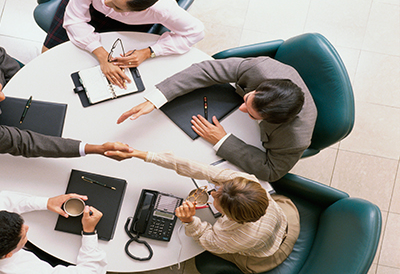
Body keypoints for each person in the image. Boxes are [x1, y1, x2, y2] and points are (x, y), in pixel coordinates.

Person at [0, 40, 132, 169]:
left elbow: (2, 56)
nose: (2, 98)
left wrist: (21, 84)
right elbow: (25, 143)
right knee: (23, 167)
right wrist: (93, 148)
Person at [117, 57, 317, 182]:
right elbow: (206, 70)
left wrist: (222, 140)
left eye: (250, 113)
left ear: (273, 121)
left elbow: (272, 171)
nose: (241, 107)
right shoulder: (261, 69)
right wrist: (156, 99)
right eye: (247, 99)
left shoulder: (295, 138)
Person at [105, 148, 300, 274]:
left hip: (266, 254)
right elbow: (197, 169)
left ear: (230, 217)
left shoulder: (232, 236)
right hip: (287, 219)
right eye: (218, 189)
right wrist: (140, 154)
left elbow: (206, 238)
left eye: (216, 199)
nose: (213, 192)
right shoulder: (245, 182)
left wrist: (190, 221)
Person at [43, 0, 204, 87]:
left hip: (126, 25)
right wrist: (102, 55)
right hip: (84, 4)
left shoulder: (162, 9)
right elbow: (75, 19)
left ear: (142, 10)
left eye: (117, 6)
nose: (106, 2)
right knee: (48, 55)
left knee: (113, 72)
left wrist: (149, 52)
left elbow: (195, 32)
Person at [0, 191, 106, 274]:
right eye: (23, 236)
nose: (27, 228)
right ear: (9, 254)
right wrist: (89, 232)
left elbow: (0, 200)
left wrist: (46, 202)